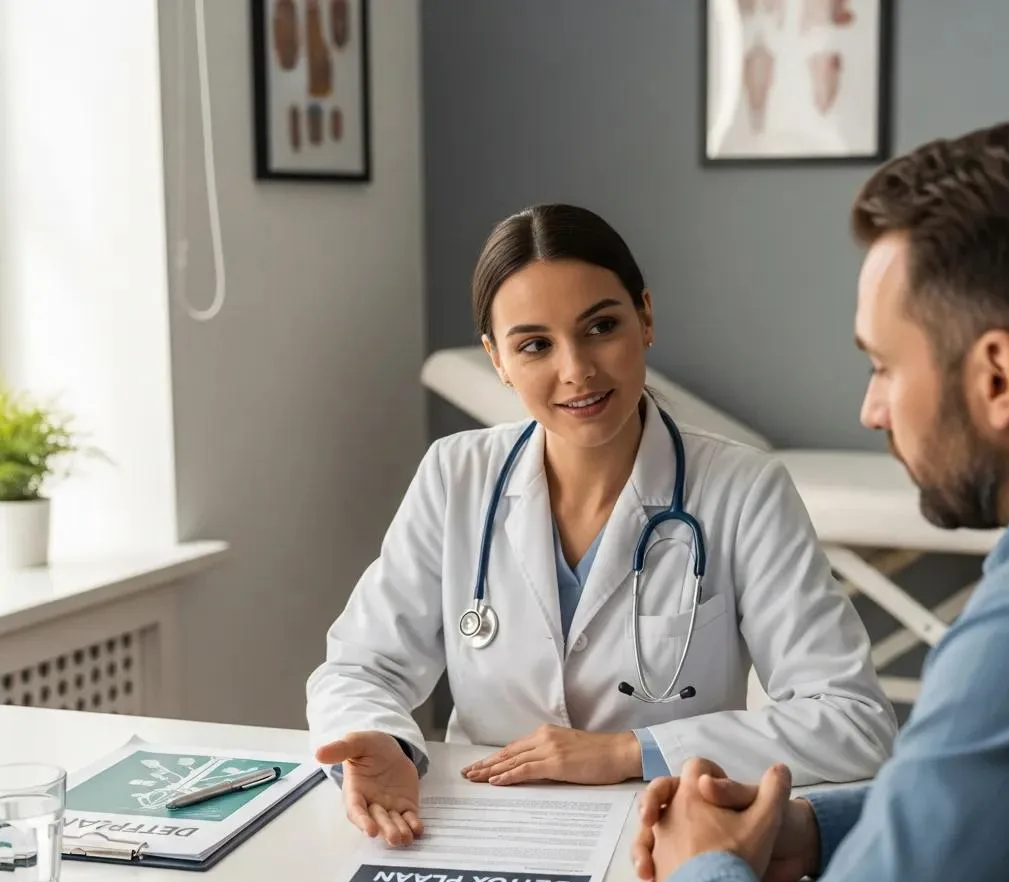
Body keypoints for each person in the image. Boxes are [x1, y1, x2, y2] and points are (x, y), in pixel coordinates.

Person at [306, 202, 896, 848]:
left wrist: (625, 752)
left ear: (645, 317)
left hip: (663, 836)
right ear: (497, 359)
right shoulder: (456, 476)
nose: (576, 370)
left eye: (600, 327)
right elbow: (359, 669)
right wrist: (384, 740)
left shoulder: (743, 490)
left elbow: (853, 720)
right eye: (534, 345)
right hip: (477, 831)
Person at [633, 120, 1009, 882]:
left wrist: (703, 871)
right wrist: (813, 832)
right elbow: (988, 803)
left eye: (884, 366)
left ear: (998, 378)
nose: (870, 407)